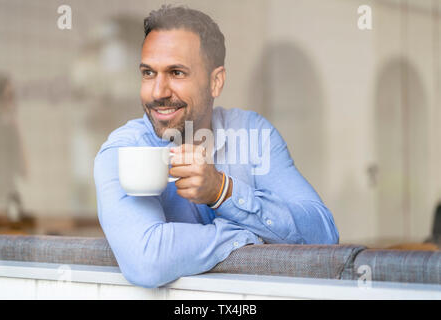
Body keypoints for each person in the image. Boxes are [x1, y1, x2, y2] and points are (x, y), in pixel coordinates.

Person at [93, 5, 339, 288]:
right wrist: (247, 234)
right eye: (148, 73)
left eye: (176, 72)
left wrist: (223, 190)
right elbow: (146, 261)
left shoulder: (252, 133)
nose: (158, 92)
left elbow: (324, 235)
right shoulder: (122, 152)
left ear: (215, 81)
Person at [0, 73, 27, 221]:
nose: (10, 104)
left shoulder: (9, 130)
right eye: (7, 97)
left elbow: (24, 170)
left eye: (12, 97)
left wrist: (16, 128)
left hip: (7, 207)